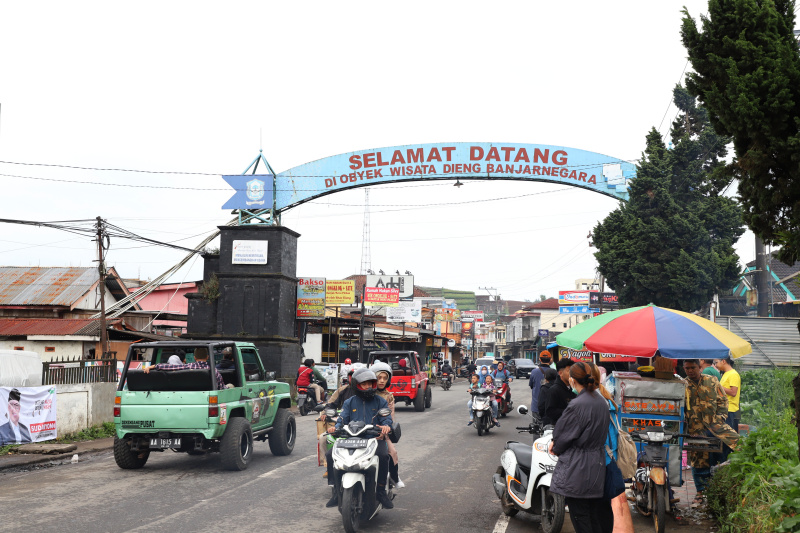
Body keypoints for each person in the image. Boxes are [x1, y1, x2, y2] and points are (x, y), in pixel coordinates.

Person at [548, 361, 613, 533]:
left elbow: (562, 435)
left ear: (572, 380)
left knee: (581, 518)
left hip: (578, 468)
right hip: (597, 465)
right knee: (593, 515)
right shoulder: (601, 401)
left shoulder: (577, 404)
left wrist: (555, 445)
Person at [325, 368, 394, 509]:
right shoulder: (349, 402)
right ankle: (336, 493)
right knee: (330, 454)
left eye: (370, 383)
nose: (368, 386)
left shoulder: (380, 401)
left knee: (383, 456)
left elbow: (386, 418)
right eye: (364, 384)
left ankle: (381, 491)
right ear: (357, 385)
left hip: (373, 439)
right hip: (351, 439)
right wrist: (335, 428)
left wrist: (386, 426)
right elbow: (342, 419)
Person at [683, 359, 740, 506]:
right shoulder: (683, 385)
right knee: (699, 461)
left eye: (693, 367)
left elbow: (723, 400)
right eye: (687, 368)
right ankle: (700, 493)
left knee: (736, 446)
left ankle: (725, 490)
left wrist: (720, 418)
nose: (690, 371)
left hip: (717, 427)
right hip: (696, 430)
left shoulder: (712, 380)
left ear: (699, 367)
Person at [592, 365, 634, 533]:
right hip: (610, 458)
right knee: (604, 506)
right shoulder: (606, 398)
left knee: (597, 507)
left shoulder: (597, 402)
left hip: (601, 460)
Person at [371, 361, 404, 489]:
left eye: (385, 378)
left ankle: (394, 477)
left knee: (392, 452)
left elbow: (390, 417)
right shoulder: (366, 393)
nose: (382, 381)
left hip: (382, 431)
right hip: (364, 431)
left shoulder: (388, 396)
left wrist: (385, 430)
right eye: (379, 377)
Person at [143, 346, 225, 390]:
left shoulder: (188, 366)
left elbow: (171, 367)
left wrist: (154, 366)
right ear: (207, 357)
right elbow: (221, 387)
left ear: (195, 357)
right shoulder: (215, 371)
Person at [543, 358, 576, 426]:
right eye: (569, 371)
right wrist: (569, 412)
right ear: (560, 373)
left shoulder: (574, 388)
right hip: (560, 427)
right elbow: (550, 412)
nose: (572, 374)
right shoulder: (554, 390)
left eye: (573, 371)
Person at [715, 357, 741, 435]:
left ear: (723, 361)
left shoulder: (733, 374)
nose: (715, 365)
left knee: (728, 436)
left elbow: (733, 392)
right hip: (723, 409)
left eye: (716, 362)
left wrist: (718, 385)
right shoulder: (726, 373)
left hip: (729, 409)